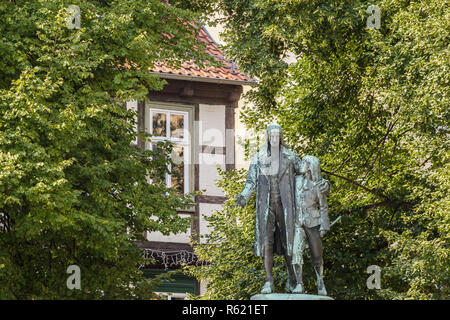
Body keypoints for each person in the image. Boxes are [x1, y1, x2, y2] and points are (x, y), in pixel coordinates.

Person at [235, 123, 329, 294]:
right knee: (266, 243)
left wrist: (323, 183)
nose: (275, 138)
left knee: (289, 243)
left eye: (278, 135)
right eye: (272, 135)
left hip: (287, 206)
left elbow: (306, 170)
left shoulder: (291, 157)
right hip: (266, 205)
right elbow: (250, 182)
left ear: (281, 137)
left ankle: (293, 279)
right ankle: (268, 281)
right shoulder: (258, 158)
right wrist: (243, 196)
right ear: (268, 137)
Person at [292, 155, 330, 296]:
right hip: (298, 223)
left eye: (304, 162)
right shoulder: (295, 181)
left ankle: (320, 282)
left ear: (309, 166)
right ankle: (299, 284)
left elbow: (323, 206)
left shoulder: (318, 184)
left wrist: (324, 226)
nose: (301, 164)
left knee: (317, 255)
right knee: (296, 252)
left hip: (313, 223)